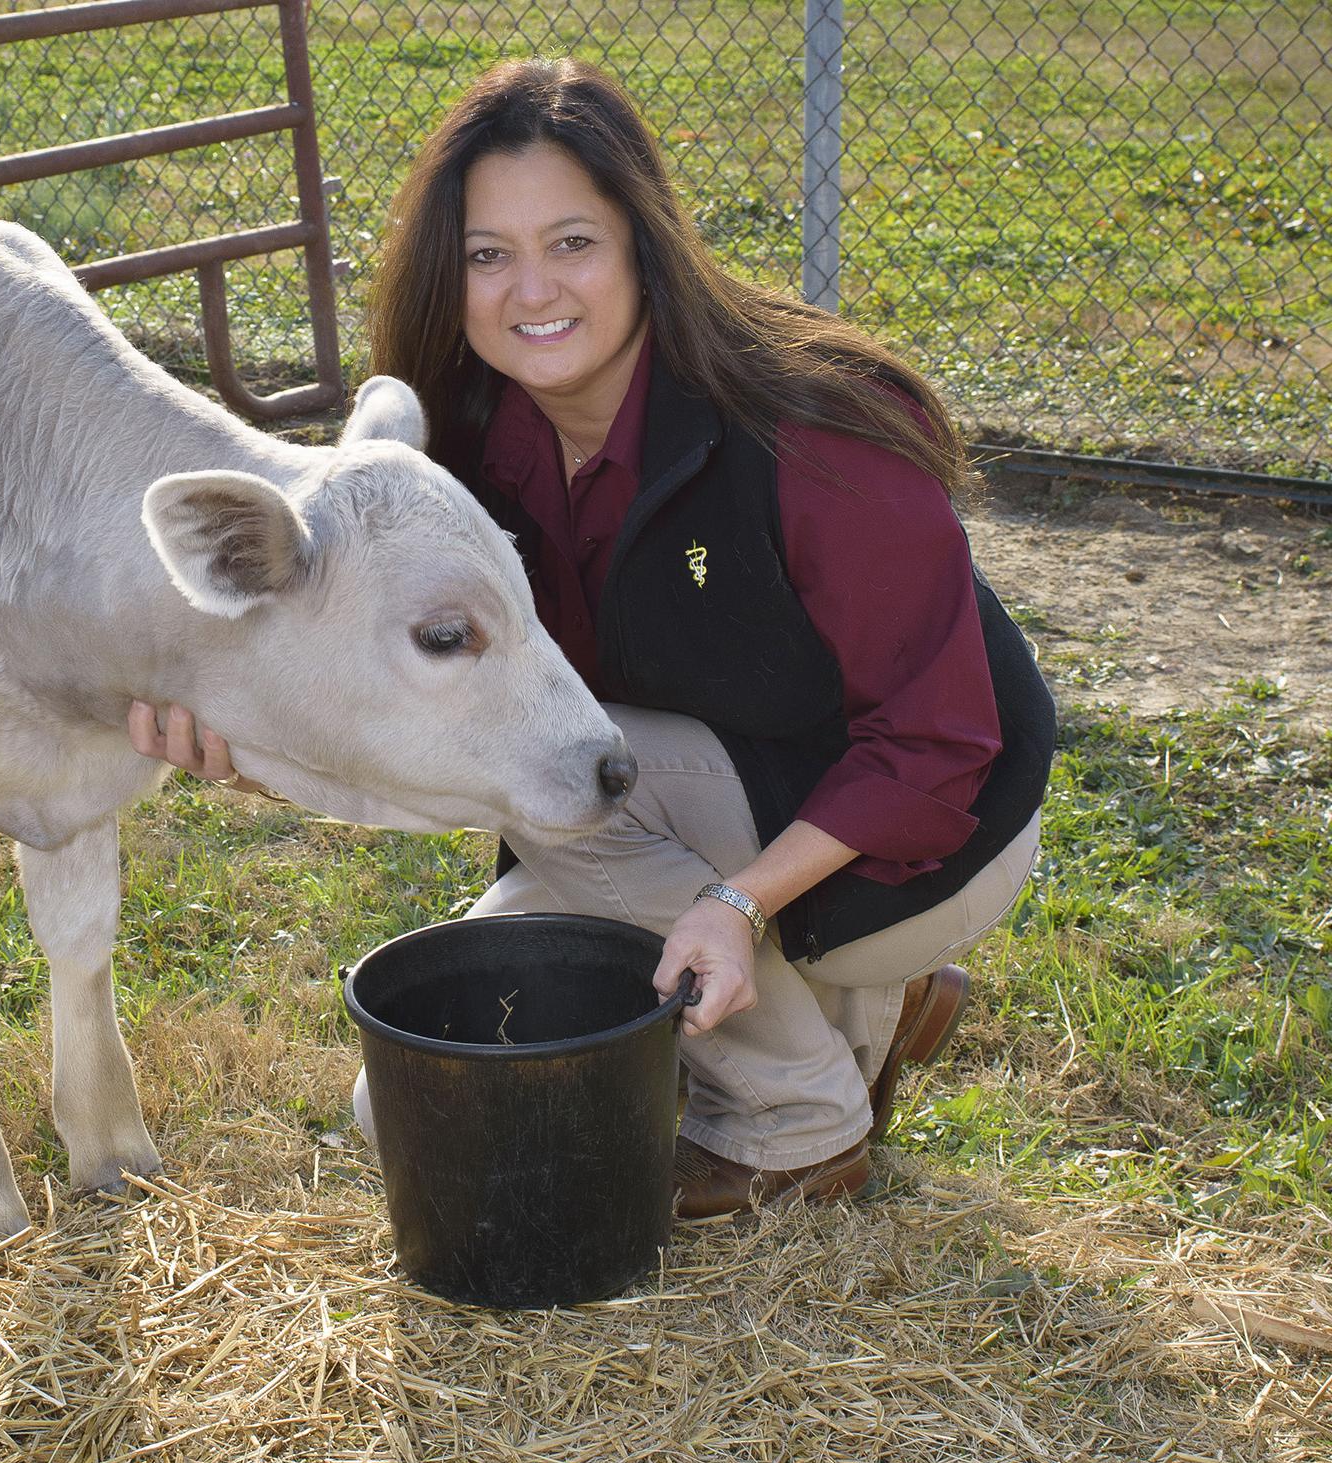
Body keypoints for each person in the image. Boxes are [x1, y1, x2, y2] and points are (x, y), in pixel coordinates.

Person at [130, 58, 1054, 1221]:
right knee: (403, 1111)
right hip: (674, 800)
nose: (530, 291)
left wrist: (737, 906)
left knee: (556, 775)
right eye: (486, 254)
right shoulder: (460, 453)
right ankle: (863, 1014)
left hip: (925, 841)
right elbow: (381, 678)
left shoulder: (820, 429)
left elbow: (934, 751)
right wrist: (244, 741)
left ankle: (799, 1124)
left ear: (642, 246)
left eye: (571, 242)